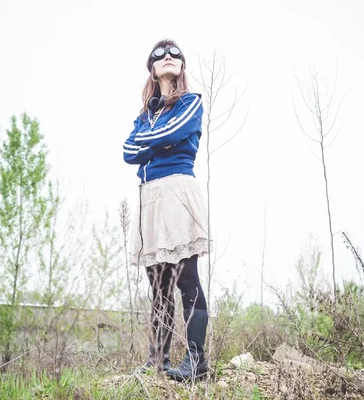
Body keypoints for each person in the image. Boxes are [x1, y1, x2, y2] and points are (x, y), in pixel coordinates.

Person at [122, 38, 209, 381]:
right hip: (150, 196)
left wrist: (153, 140)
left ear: (181, 66)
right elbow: (128, 151)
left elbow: (176, 130)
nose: (168, 56)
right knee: (157, 282)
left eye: (175, 53)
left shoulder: (190, 102)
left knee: (185, 276)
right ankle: (158, 359)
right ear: (152, 68)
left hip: (177, 188)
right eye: (160, 54)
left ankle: (196, 362)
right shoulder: (144, 114)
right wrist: (161, 140)